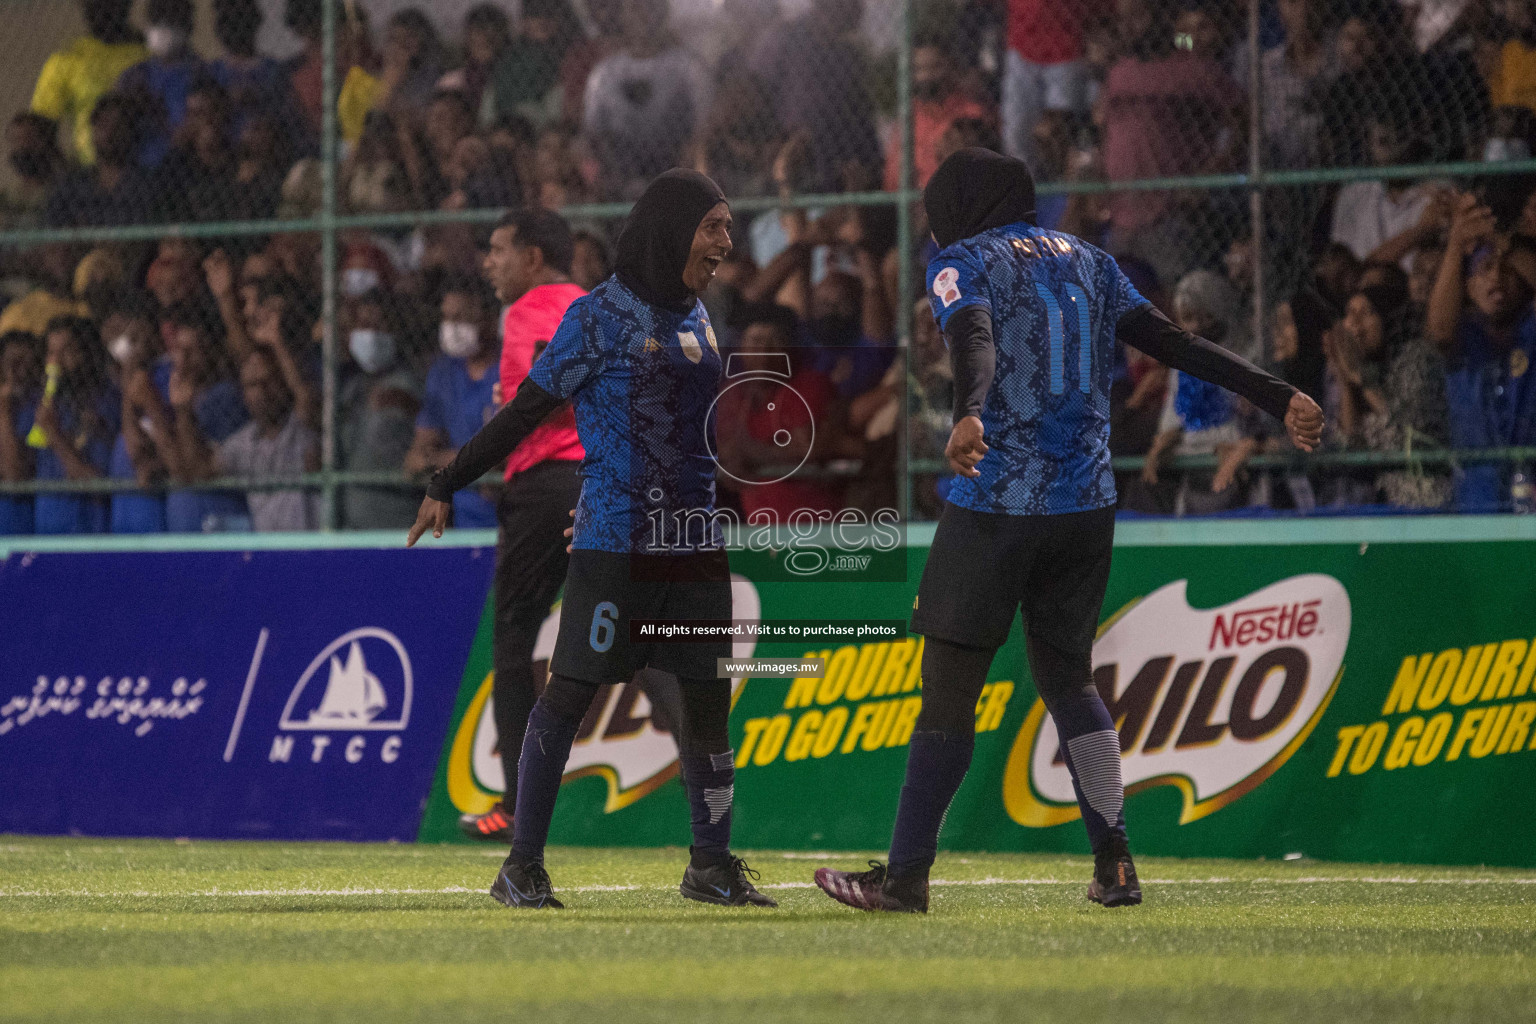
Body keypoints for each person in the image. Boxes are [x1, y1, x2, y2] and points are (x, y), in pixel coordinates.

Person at [812, 149, 1322, 914]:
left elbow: (973, 335)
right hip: (1084, 504)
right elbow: (1174, 345)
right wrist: (1277, 394)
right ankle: (1115, 864)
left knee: (949, 694)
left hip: (997, 502)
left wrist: (971, 410)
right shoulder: (1091, 259)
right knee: (1070, 681)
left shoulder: (961, 260)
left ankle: (908, 876)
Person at [407, 169, 774, 910]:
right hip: (618, 543)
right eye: (716, 227)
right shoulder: (598, 317)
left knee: (708, 705)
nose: (727, 243)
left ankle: (712, 864)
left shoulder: (701, 315)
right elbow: (524, 415)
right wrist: (447, 478)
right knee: (569, 695)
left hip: (695, 543)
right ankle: (523, 866)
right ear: (674, 229)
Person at [454, 208, 587, 843]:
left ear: (533, 257)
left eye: (499, 249)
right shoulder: (594, 305)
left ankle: (513, 803)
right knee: (634, 635)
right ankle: (707, 780)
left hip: (543, 487)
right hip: (601, 483)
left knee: (513, 637)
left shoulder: (531, 307)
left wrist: (515, 409)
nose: (488, 262)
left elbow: (549, 389)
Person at [404, 277, 502, 529]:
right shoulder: (444, 372)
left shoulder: (508, 368)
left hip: (508, 515)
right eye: (447, 318)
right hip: (463, 518)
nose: (452, 327)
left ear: (489, 320)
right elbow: (419, 452)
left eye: (462, 317)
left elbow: (495, 459)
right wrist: (449, 459)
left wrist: (440, 460)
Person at [29, 0, 145, 165]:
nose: (100, 9)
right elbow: (40, 128)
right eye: (91, 4)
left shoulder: (151, 58)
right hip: (91, 170)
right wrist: (70, 177)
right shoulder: (67, 60)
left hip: (146, 170)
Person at [117, 0, 211, 169]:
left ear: (187, 25)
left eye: (171, 20)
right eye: (157, 20)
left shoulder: (201, 74)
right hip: (138, 169)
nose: (163, 27)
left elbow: (195, 131)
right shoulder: (135, 75)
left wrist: (154, 113)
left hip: (186, 167)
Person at [0, 330, 44, 535]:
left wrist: (4, 412)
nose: (23, 372)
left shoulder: (39, 408)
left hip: (19, 524)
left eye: (31, 364)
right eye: (15, 364)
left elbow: (14, 474)